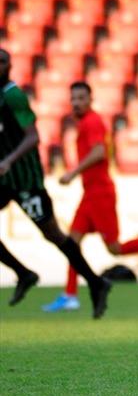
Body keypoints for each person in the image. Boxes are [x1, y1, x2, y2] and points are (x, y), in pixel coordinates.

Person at [43, 81, 138, 312]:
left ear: (90, 100)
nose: (76, 103)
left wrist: (72, 172)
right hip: (90, 193)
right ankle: (70, 294)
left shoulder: (92, 122)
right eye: (73, 99)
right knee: (71, 243)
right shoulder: (85, 123)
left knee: (114, 249)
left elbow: (99, 152)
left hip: (100, 193)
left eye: (81, 98)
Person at [0, 48, 112, 318]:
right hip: (4, 181)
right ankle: (24, 273)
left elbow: (33, 137)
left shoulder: (13, 95)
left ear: (10, 66)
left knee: (53, 234)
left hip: (25, 180)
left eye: (2, 61)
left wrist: (9, 160)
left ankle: (96, 282)